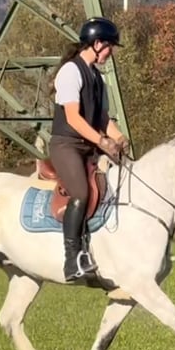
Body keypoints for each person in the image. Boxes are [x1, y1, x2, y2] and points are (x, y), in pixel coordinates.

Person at [49, 16, 129, 282]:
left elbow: (105, 119)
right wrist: (101, 141)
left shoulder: (97, 78)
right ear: (96, 44)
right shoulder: (71, 71)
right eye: (109, 47)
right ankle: (72, 259)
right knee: (81, 192)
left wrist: (120, 138)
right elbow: (73, 117)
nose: (111, 53)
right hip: (66, 145)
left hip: (89, 145)